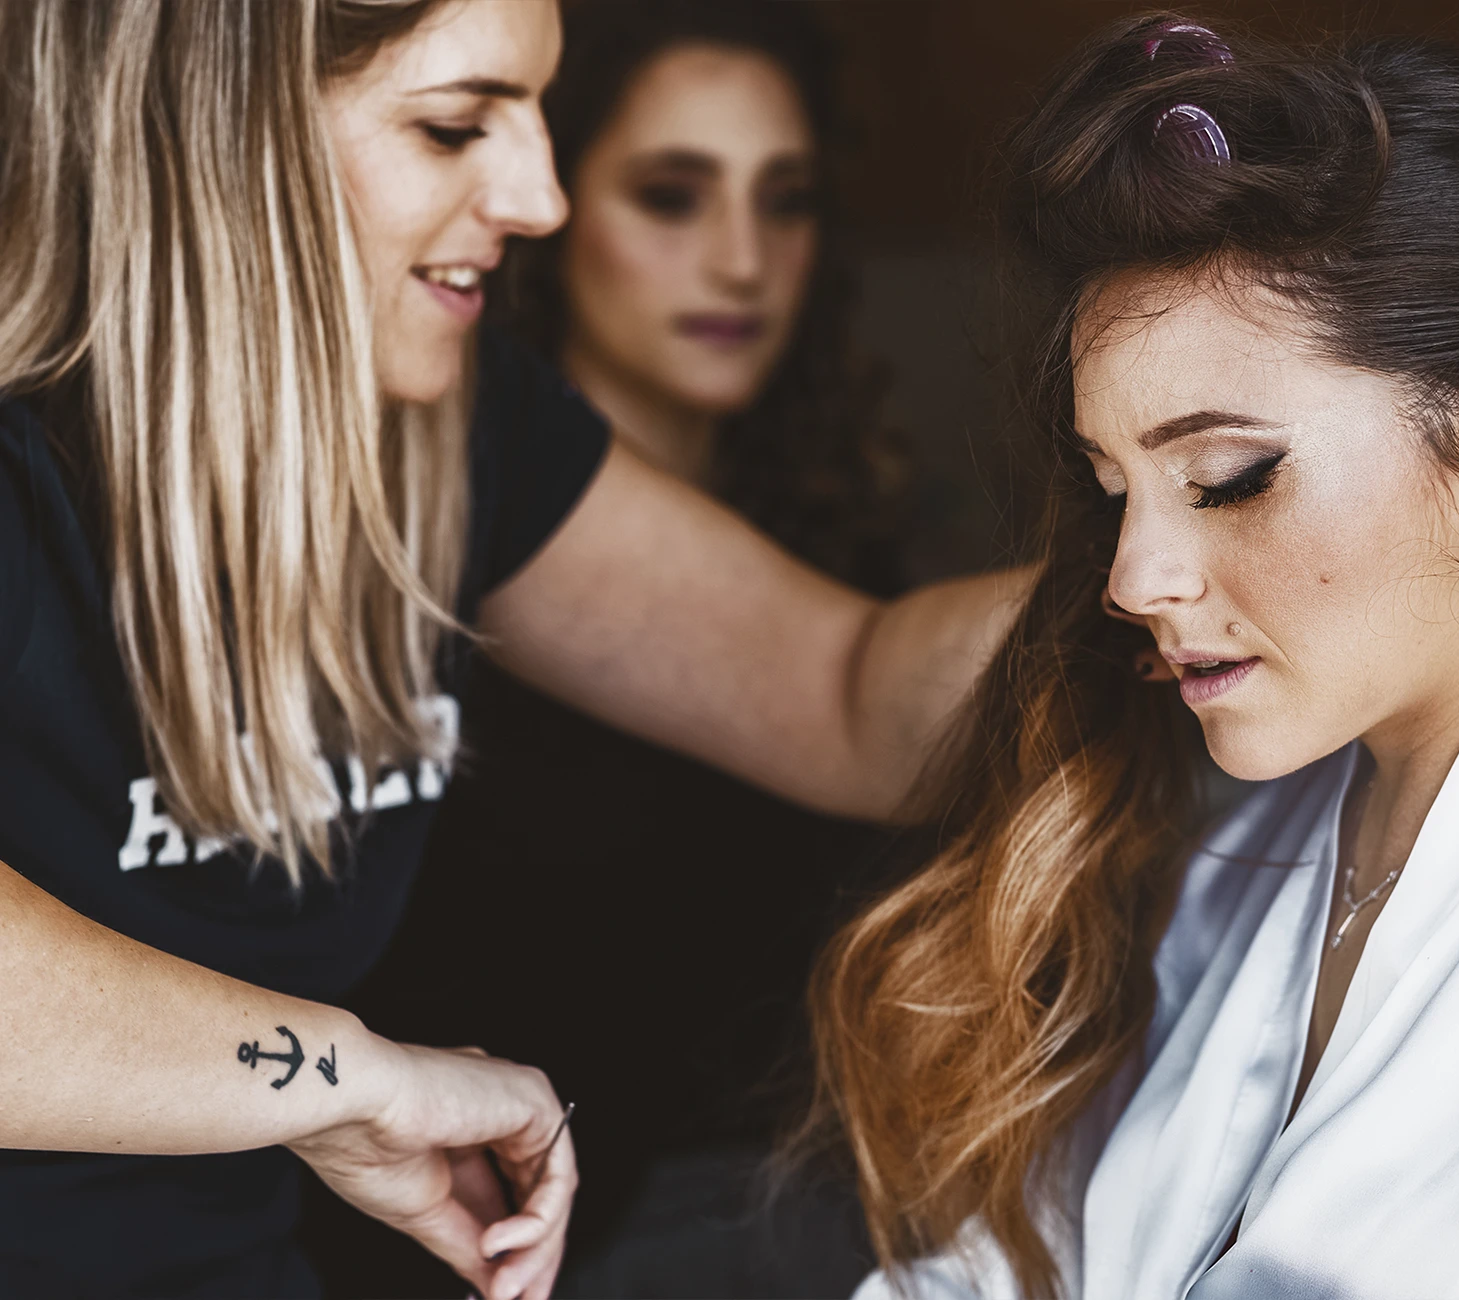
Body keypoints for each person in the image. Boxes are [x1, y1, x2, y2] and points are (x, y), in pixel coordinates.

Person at [0, 2, 1026, 1298]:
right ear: (219, 131)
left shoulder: (466, 440)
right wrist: (348, 1080)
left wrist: (1181, 550)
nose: (539, 196)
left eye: (535, 117)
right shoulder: (22, 463)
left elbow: (853, 697)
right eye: (452, 125)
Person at [799, 16, 1459, 1299]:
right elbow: (1034, 1266)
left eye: (1226, 479)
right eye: (1117, 488)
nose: (1131, 576)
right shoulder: (1264, 809)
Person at [329, 3, 896, 1291]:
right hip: (478, 1232)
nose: (743, 260)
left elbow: (861, 691)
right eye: (672, 195)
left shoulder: (853, 553)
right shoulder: (434, 519)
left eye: (786, 199)